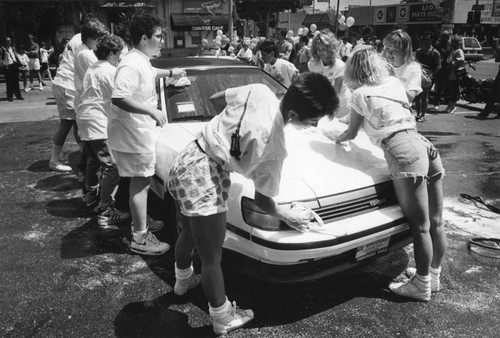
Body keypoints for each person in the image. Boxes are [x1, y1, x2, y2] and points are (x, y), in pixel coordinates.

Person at [167, 72, 339, 335]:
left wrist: (229, 138)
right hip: (204, 176)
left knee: (188, 232)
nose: (313, 126)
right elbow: (263, 200)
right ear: (293, 116)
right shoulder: (274, 149)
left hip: (188, 158)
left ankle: (182, 282)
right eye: (312, 121)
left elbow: (215, 100)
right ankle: (222, 317)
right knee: (211, 257)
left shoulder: (259, 90)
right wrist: (285, 213)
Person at [337, 46, 447, 302]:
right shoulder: (393, 84)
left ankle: (421, 285)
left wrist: (332, 136)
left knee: (420, 227)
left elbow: (351, 133)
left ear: (352, 70)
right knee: (436, 221)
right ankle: (433, 275)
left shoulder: (360, 94)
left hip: (403, 152)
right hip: (425, 145)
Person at [108, 13, 185, 255]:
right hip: (133, 134)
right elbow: (119, 96)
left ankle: (141, 223)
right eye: (159, 37)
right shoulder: (131, 63)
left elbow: (150, 72)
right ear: (144, 38)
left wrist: (172, 73)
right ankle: (140, 237)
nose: (162, 41)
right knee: (140, 184)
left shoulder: (139, 60)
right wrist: (151, 110)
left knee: (138, 183)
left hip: (136, 133)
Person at [76, 34, 131, 229]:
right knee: (112, 166)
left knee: (93, 160)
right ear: (110, 53)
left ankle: (90, 194)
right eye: (118, 53)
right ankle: (105, 208)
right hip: (97, 121)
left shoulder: (94, 67)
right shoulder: (109, 71)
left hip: (85, 119)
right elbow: (121, 97)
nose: (121, 58)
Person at [74, 18, 109, 206]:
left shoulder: (82, 51)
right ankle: (105, 203)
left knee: (92, 158)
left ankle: (89, 193)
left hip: (84, 108)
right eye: (97, 39)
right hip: (93, 109)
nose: (98, 44)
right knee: (108, 163)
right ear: (90, 38)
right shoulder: (88, 56)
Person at [308, 29, 351, 120]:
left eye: (324, 49)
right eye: (318, 49)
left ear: (331, 49)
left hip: (342, 105)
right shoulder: (313, 64)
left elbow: (335, 93)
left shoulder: (339, 66)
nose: (320, 52)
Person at [382, 29, 422, 104]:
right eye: (387, 48)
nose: (389, 53)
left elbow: (410, 98)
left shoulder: (413, 68)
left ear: (405, 51)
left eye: (395, 50)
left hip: (400, 113)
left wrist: (394, 78)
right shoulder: (382, 65)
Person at [414, 32, 441, 122]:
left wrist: (432, 75)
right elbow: (414, 62)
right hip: (418, 75)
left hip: (427, 76)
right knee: (417, 96)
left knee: (424, 96)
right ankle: (418, 113)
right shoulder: (418, 51)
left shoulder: (435, 52)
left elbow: (438, 66)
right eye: (424, 40)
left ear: (431, 40)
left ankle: (423, 115)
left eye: (428, 40)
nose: (426, 42)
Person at [443, 35, 465, 114]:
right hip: (450, 74)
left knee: (454, 90)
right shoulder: (453, 51)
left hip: (455, 74)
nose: (452, 44)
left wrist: (453, 64)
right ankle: (450, 106)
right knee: (450, 90)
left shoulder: (459, 51)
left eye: (454, 43)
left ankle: (452, 106)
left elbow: (461, 59)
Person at [1, 37, 24, 101]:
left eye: (9, 41)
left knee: (16, 81)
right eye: (7, 41)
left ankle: (18, 95)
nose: (9, 42)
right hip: (7, 66)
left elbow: (15, 56)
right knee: (9, 82)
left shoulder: (13, 48)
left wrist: (19, 62)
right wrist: (2, 65)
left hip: (14, 65)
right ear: (5, 42)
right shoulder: (2, 49)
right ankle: (10, 96)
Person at [432, 32, 451, 109]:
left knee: (440, 87)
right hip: (436, 66)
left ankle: (437, 103)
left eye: (445, 37)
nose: (443, 38)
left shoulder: (448, 45)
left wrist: (440, 48)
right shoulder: (437, 44)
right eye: (443, 37)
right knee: (430, 83)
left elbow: (446, 54)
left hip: (443, 68)